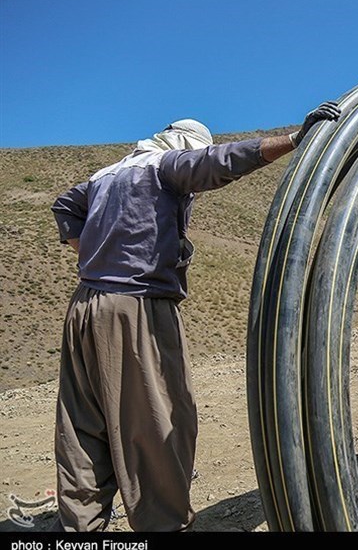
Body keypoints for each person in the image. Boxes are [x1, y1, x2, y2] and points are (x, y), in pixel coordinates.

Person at [49, 102, 341, 532]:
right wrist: (296, 140)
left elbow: (62, 206)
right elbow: (217, 163)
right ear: (182, 145)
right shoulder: (161, 167)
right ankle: (164, 524)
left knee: (82, 422)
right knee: (159, 418)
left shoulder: (105, 175)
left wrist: (96, 251)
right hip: (137, 308)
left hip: (86, 305)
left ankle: (80, 526)